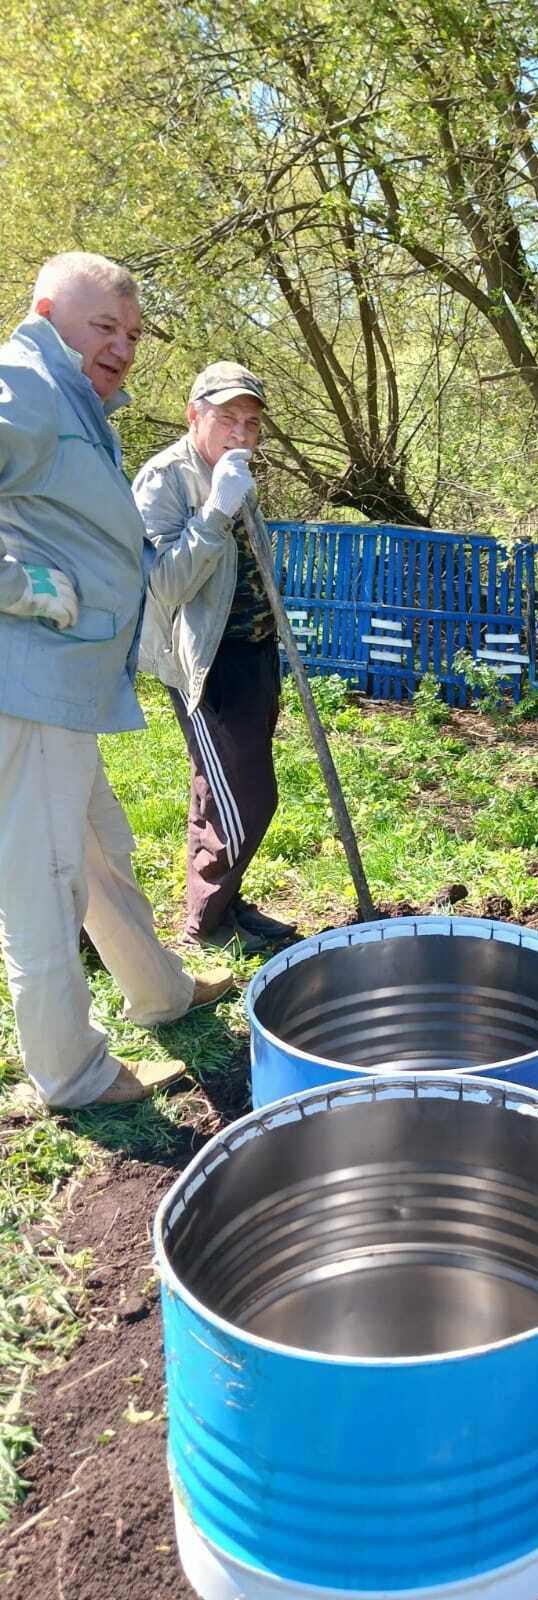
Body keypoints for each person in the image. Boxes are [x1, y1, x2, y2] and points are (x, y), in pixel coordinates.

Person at [0, 253, 232, 1109]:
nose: (124, 348)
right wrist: (19, 586)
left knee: (98, 847)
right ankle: (73, 1073)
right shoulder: (25, 385)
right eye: (105, 326)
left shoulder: (71, 401)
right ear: (46, 312)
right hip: (25, 688)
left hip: (60, 686)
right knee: (47, 880)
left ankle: (159, 990)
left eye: (132, 335)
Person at [134, 362, 296, 953]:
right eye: (227, 418)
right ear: (193, 416)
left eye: (250, 423)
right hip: (205, 662)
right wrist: (216, 511)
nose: (240, 433)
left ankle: (224, 903)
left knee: (224, 788)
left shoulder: (236, 472)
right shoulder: (165, 479)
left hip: (253, 650)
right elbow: (165, 583)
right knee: (245, 795)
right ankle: (206, 924)